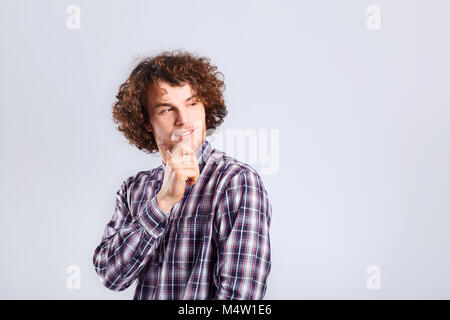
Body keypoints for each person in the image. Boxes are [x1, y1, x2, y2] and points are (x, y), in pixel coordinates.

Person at [92, 50, 272, 299]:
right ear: (146, 121)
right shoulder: (134, 189)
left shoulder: (236, 182)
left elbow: (240, 298)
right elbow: (110, 275)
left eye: (192, 103)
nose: (184, 119)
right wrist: (162, 202)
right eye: (167, 109)